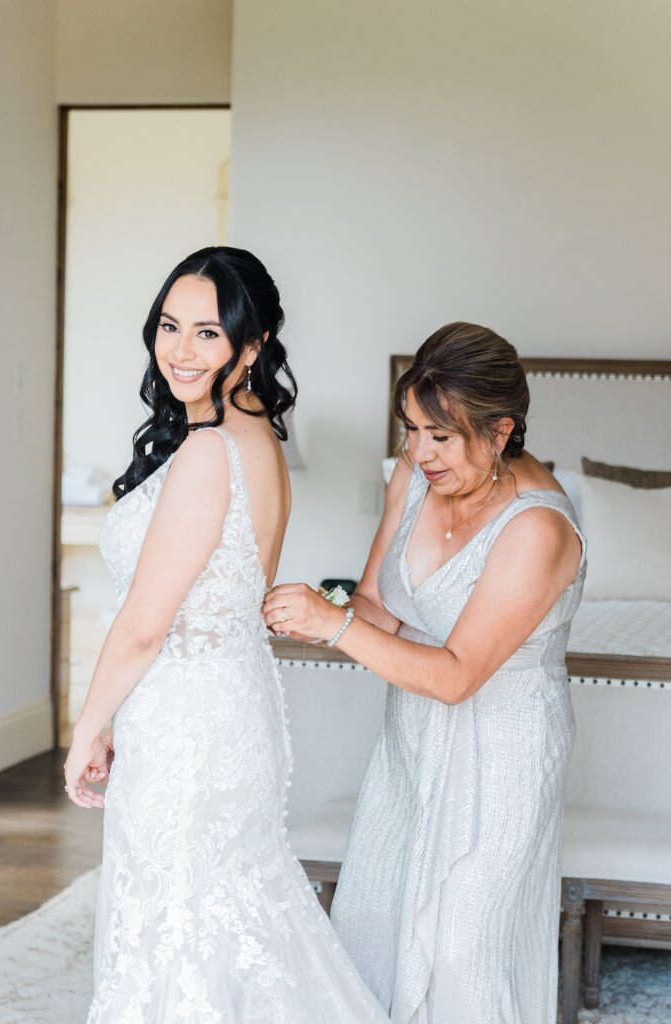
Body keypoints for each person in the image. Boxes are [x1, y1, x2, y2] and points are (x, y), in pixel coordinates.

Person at [64, 246, 389, 1024]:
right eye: (170, 326)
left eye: (208, 334)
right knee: (223, 911)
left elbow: (145, 625)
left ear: (254, 343)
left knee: (175, 924)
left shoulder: (209, 452)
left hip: (185, 725)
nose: (180, 350)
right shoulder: (257, 443)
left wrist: (86, 728)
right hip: (227, 706)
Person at [264, 322, 586, 1024]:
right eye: (409, 428)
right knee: (376, 927)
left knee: (461, 952)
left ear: (500, 431)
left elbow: (456, 676)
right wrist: (309, 612)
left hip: (500, 755)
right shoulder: (414, 475)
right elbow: (377, 604)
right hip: (410, 743)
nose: (417, 452)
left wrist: (334, 625)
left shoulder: (538, 529)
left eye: (440, 436)